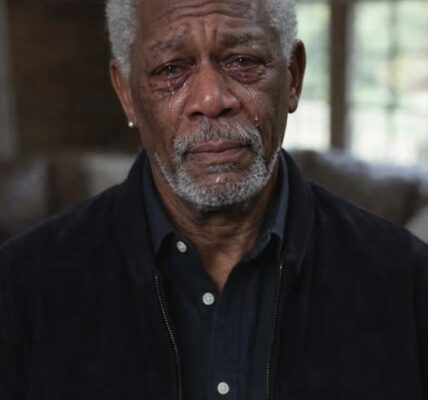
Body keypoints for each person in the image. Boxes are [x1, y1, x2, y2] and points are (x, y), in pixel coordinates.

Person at [1, 0, 427, 398]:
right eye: (171, 69)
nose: (211, 99)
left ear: (293, 76)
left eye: (243, 61)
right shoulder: (21, 289)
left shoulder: (408, 283)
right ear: (126, 93)